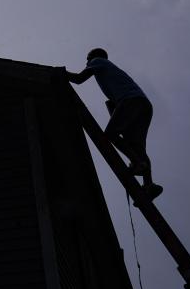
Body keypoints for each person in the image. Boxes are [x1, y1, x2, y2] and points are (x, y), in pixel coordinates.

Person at [67, 48, 163, 202]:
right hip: (143, 105)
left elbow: (79, 79)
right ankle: (149, 184)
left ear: (92, 57)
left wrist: (60, 73)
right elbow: (114, 108)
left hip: (131, 101)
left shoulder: (97, 61)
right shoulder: (112, 72)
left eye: (87, 59)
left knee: (110, 134)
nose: (86, 62)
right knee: (137, 146)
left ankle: (137, 163)